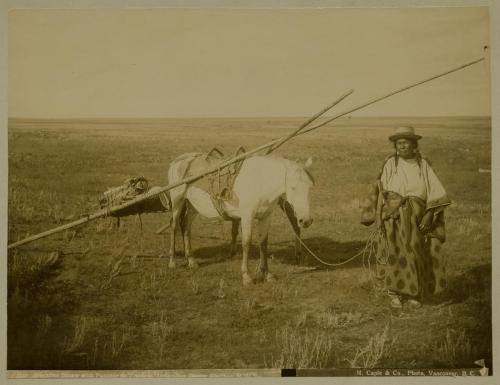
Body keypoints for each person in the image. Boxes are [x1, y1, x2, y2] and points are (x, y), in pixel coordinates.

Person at [375, 126, 451, 309]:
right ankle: (394, 293)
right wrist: (380, 218)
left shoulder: (422, 164)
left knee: (415, 252)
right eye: (399, 143)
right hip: (393, 216)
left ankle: (413, 293)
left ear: (413, 145)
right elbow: (381, 192)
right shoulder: (390, 163)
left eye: (406, 143)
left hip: (417, 217)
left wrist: (429, 215)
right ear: (395, 146)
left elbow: (436, 191)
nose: (402, 146)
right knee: (394, 252)